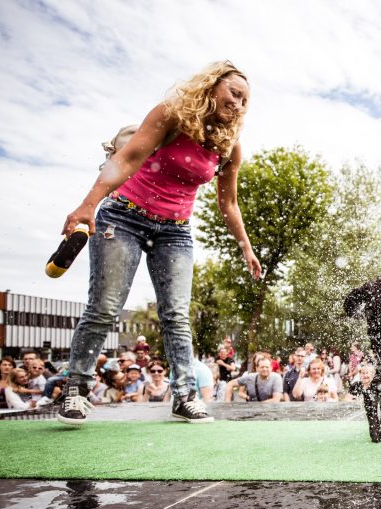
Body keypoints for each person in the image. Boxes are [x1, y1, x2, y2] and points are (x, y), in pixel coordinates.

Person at [56, 61, 261, 427]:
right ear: (212, 87)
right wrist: (89, 204)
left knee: (177, 316)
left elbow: (228, 203)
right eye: (234, 93)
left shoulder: (229, 147)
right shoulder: (171, 115)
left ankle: (185, 396)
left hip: (175, 231)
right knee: (105, 307)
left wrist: (246, 246)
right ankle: (76, 390)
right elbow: (128, 157)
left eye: (245, 100)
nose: (239, 104)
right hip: (123, 217)